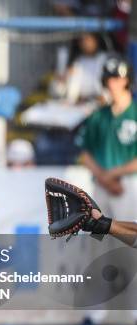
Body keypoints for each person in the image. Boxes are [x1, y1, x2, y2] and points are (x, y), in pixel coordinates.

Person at [76, 55, 137, 223]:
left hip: (129, 184)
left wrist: (113, 175)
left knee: (128, 240)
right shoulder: (98, 116)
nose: (112, 84)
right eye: (109, 79)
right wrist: (105, 178)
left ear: (127, 80)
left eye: (117, 78)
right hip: (101, 184)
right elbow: (85, 153)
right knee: (97, 241)